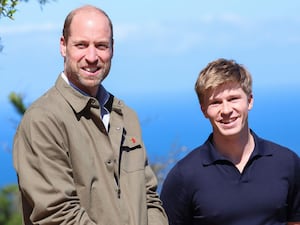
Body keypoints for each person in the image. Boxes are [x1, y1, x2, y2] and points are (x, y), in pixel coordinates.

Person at [13, 5, 168, 225]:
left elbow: (149, 198)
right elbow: (57, 215)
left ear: (112, 49)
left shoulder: (126, 116)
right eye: (81, 45)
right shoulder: (42, 120)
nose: (92, 56)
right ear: (63, 46)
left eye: (101, 45)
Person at [160, 58, 300, 225]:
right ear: (203, 110)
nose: (226, 110)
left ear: (250, 101)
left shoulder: (287, 163)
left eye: (233, 99)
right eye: (215, 102)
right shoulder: (184, 176)